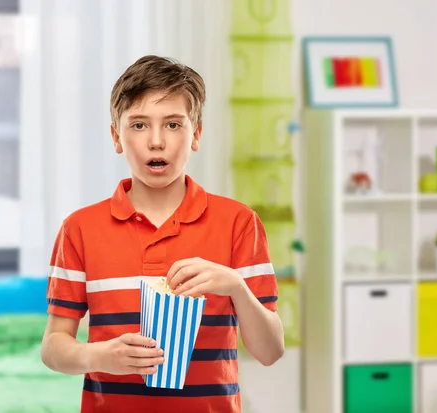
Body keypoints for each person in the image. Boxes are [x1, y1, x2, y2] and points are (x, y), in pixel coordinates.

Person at [41, 55, 284, 413]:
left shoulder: (238, 223)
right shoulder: (79, 229)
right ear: (116, 136)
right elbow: (52, 347)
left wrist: (236, 286)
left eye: (173, 125)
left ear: (196, 134)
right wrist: (100, 355)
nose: (156, 141)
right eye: (139, 125)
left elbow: (270, 351)